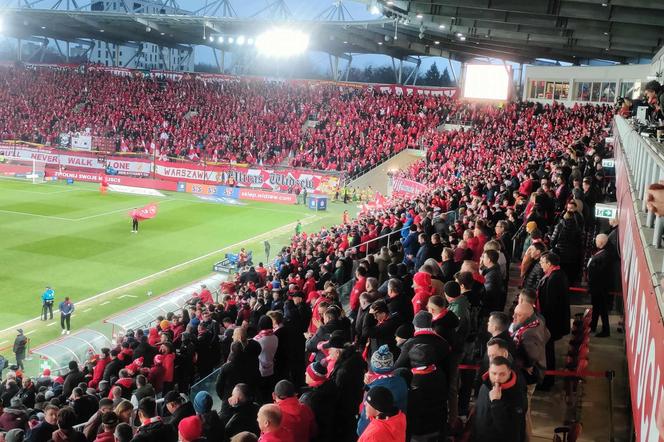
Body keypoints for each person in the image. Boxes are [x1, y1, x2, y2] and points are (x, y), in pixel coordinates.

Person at [511, 303, 550, 441]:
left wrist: (525, 364)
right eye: (515, 313)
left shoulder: (529, 333)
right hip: (533, 374)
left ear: (528, 316)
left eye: (518, 315)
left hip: (529, 377)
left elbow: (531, 355)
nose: (514, 317)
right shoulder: (537, 321)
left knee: (524, 413)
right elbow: (548, 334)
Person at [472, 356, 527, 442]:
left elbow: (512, 431)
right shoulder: (484, 386)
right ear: (489, 371)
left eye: (502, 374)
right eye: (494, 373)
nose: (497, 378)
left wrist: (496, 403)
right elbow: (479, 418)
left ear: (509, 373)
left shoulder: (517, 393)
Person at [536, 252, 570, 390]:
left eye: (542, 262)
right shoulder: (555, 275)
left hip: (550, 324)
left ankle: (547, 381)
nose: (540, 264)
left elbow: (551, 305)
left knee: (548, 353)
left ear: (549, 263)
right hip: (549, 322)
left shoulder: (555, 278)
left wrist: (543, 323)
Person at [587, 234, 613, 337]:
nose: (595, 242)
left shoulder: (604, 255)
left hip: (599, 288)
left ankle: (606, 330)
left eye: (597, 241)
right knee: (597, 308)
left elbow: (599, 273)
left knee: (602, 309)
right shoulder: (604, 253)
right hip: (598, 287)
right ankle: (593, 326)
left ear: (601, 243)